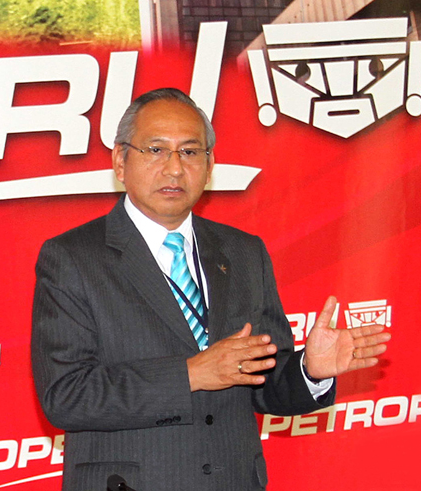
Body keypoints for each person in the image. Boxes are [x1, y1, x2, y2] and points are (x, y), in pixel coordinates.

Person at [31, 88, 390, 491]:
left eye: (189, 152)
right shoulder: (72, 258)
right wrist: (191, 374)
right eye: (155, 150)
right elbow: (66, 396)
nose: (174, 168)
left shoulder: (244, 252)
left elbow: (265, 382)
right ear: (120, 160)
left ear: (209, 165)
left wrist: (308, 370)